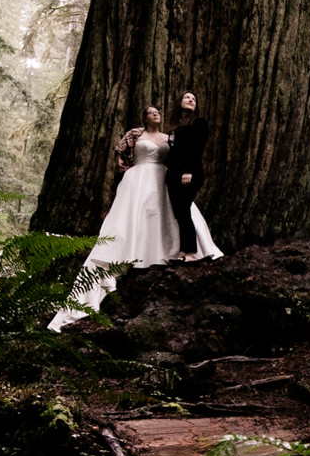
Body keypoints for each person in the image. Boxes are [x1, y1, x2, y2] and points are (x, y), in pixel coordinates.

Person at [47, 103, 223, 331]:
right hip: (137, 181)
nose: (155, 114)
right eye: (150, 112)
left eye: (157, 111)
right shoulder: (135, 134)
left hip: (164, 180)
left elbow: (184, 153)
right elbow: (121, 153)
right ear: (145, 117)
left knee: (171, 213)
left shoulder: (170, 136)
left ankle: (178, 250)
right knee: (133, 219)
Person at [166, 90, 214, 262]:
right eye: (187, 97)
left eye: (194, 99)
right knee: (179, 213)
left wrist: (188, 171)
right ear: (179, 101)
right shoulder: (175, 126)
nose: (191, 100)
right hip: (173, 175)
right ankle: (183, 252)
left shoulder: (198, 123)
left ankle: (192, 253)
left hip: (189, 174)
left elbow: (196, 149)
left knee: (184, 211)